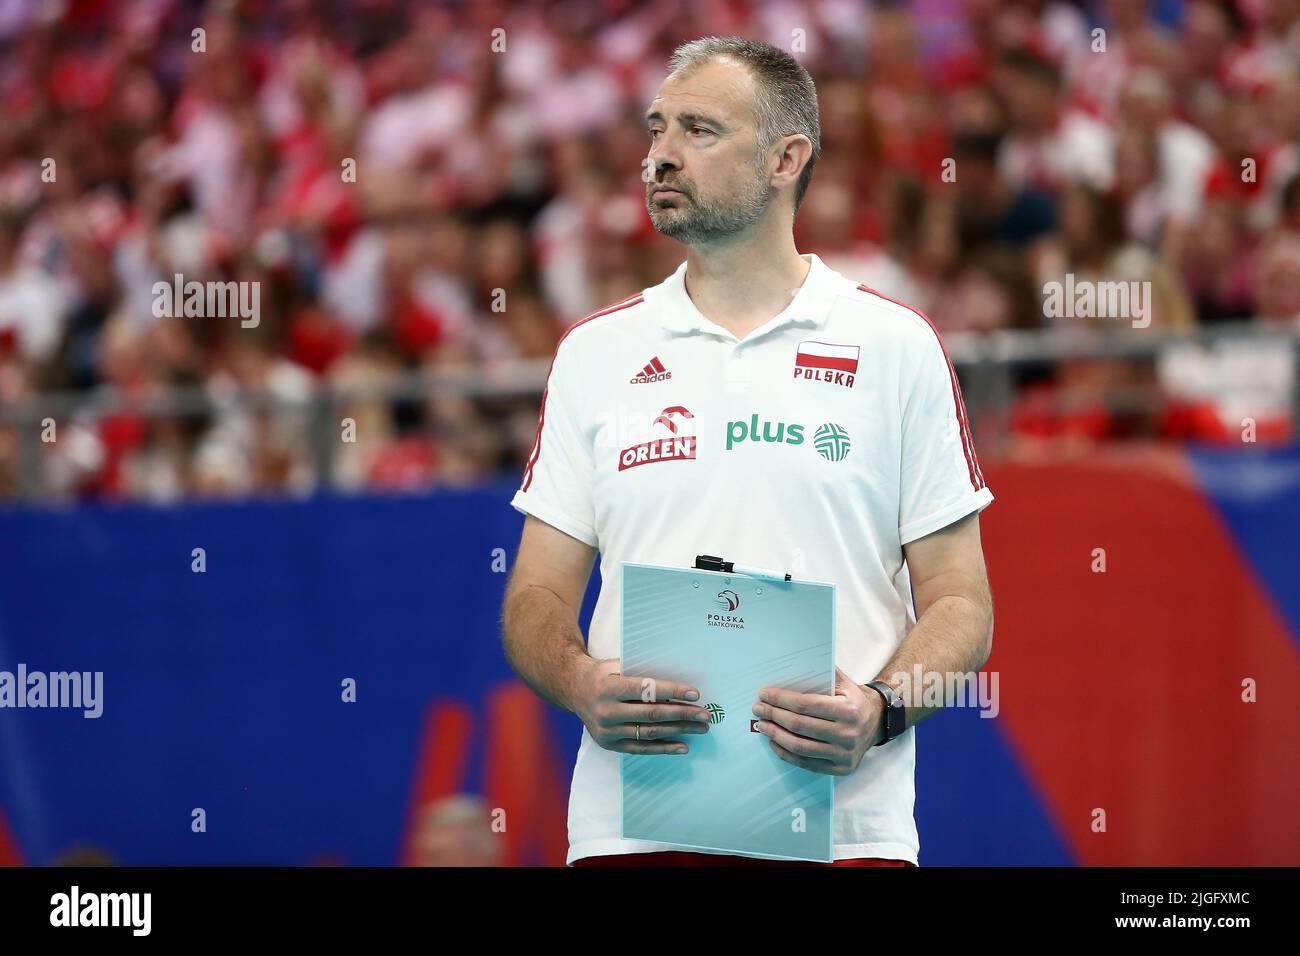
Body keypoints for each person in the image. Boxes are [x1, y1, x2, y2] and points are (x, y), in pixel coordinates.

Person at [501, 37, 994, 867]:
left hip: (847, 831)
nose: (659, 156)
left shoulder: (895, 345)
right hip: (632, 830)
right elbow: (535, 597)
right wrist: (579, 680)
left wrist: (881, 709)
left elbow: (962, 606)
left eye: (698, 130)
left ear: (785, 159)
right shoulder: (594, 352)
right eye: (656, 129)